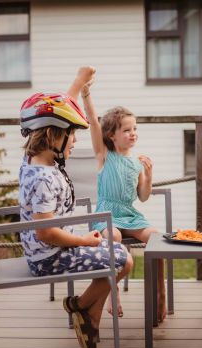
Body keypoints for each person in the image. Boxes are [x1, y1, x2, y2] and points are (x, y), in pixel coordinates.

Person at [18, 66, 134, 348]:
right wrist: (85, 241)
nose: (75, 140)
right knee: (121, 258)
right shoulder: (43, 178)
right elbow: (46, 232)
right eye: (71, 135)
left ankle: (89, 316)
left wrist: (79, 83)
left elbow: (57, 110)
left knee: (121, 256)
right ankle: (82, 307)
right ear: (54, 136)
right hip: (47, 257)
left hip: (46, 250)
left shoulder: (34, 160)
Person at [80, 71, 167, 322]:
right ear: (112, 135)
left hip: (130, 214)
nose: (133, 133)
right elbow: (94, 124)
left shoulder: (136, 163)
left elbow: (143, 196)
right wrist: (86, 95)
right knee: (114, 235)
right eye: (126, 130)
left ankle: (160, 295)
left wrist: (148, 177)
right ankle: (112, 290)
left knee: (157, 238)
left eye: (134, 129)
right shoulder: (104, 156)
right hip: (108, 214)